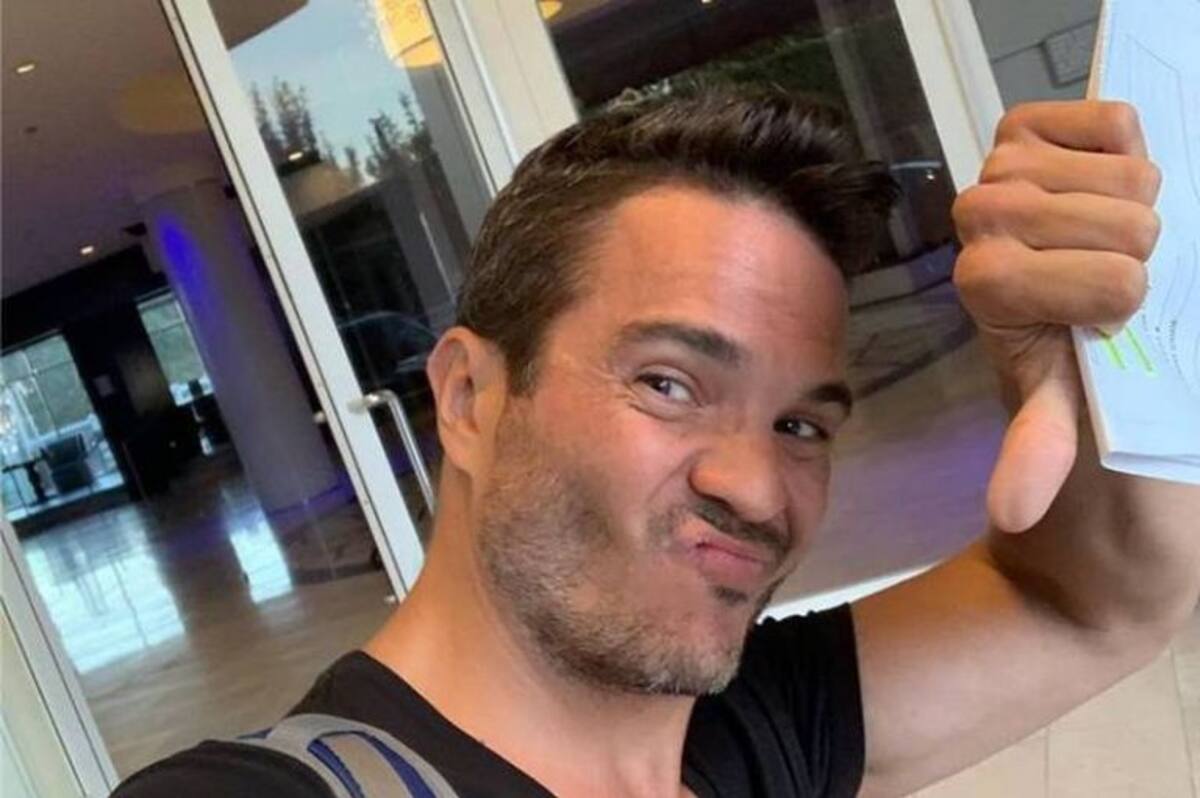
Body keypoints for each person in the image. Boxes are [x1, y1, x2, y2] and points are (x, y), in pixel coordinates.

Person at [113, 89, 1200, 797]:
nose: (755, 487)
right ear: (469, 398)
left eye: (799, 424)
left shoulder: (754, 729)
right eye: (669, 383)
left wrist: (1108, 346)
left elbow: (1098, 600)